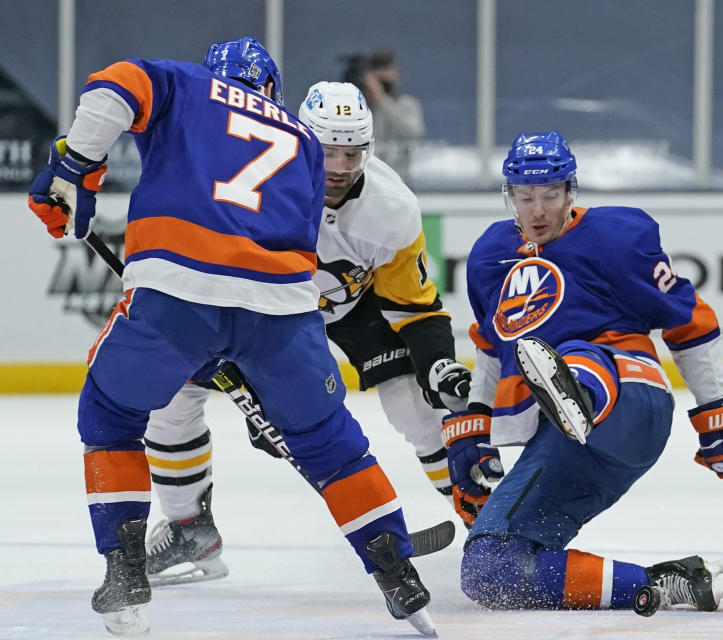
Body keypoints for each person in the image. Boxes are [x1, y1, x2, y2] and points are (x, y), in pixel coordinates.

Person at [26, 37, 435, 636]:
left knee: (111, 411)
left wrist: (75, 167)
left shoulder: (188, 86)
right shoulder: (301, 141)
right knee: (329, 442)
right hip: (283, 314)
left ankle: (124, 570)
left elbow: (114, 84)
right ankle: (399, 575)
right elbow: (287, 248)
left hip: (178, 294)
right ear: (273, 91)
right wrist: (264, 376)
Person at [144, 80, 480, 586]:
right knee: (168, 399)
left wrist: (436, 363)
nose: (342, 166)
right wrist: (258, 384)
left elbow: (414, 308)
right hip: (272, 309)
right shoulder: (254, 186)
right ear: (301, 136)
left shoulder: (392, 208)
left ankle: (487, 522)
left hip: (357, 305)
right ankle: (189, 524)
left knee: (415, 403)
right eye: (329, 151)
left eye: (354, 151)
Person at [446, 130, 723, 614]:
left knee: (568, 348)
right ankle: (663, 583)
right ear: (509, 197)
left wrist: (719, 412)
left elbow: (689, 321)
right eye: (525, 197)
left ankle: (579, 392)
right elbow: (490, 345)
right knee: (491, 570)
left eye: (550, 195)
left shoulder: (617, 237)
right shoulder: (489, 257)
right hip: (571, 445)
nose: (538, 210)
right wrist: (473, 430)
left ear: (571, 192)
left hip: (630, 399)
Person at [341, 49, 424, 183]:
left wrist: (381, 100)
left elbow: (413, 131)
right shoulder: (356, 108)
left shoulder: (407, 104)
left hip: (398, 181)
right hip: (362, 182)